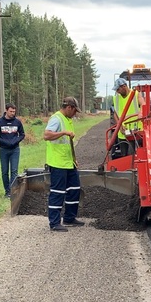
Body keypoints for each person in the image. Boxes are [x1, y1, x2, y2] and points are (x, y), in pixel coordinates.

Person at [44, 97, 85, 232]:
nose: (75, 114)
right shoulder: (57, 118)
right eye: (74, 111)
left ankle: (69, 217)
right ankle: (54, 223)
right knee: (58, 192)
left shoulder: (68, 119)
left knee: (74, 189)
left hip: (69, 162)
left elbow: (68, 143)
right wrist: (63, 132)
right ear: (69, 108)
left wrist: (74, 159)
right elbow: (47, 135)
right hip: (58, 163)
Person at [0, 103, 25, 197]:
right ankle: (7, 191)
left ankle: (12, 191)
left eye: (14, 111)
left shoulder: (17, 122)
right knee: (4, 171)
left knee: (14, 171)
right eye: (11, 111)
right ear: (6, 110)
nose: (12, 113)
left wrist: (15, 141)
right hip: (3, 149)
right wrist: (3, 141)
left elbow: (22, 134)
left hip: (15, 149)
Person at [111, 77, 144, 158]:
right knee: (124, 156)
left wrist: (141, 113)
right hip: (123, 132)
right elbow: (115, 113)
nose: (117, 92)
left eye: (118, 89)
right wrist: (119, 126)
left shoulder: (136, 94)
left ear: (124, 86)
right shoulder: (116, 98)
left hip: (136, 131)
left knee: (136, 154)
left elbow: (143, 104)